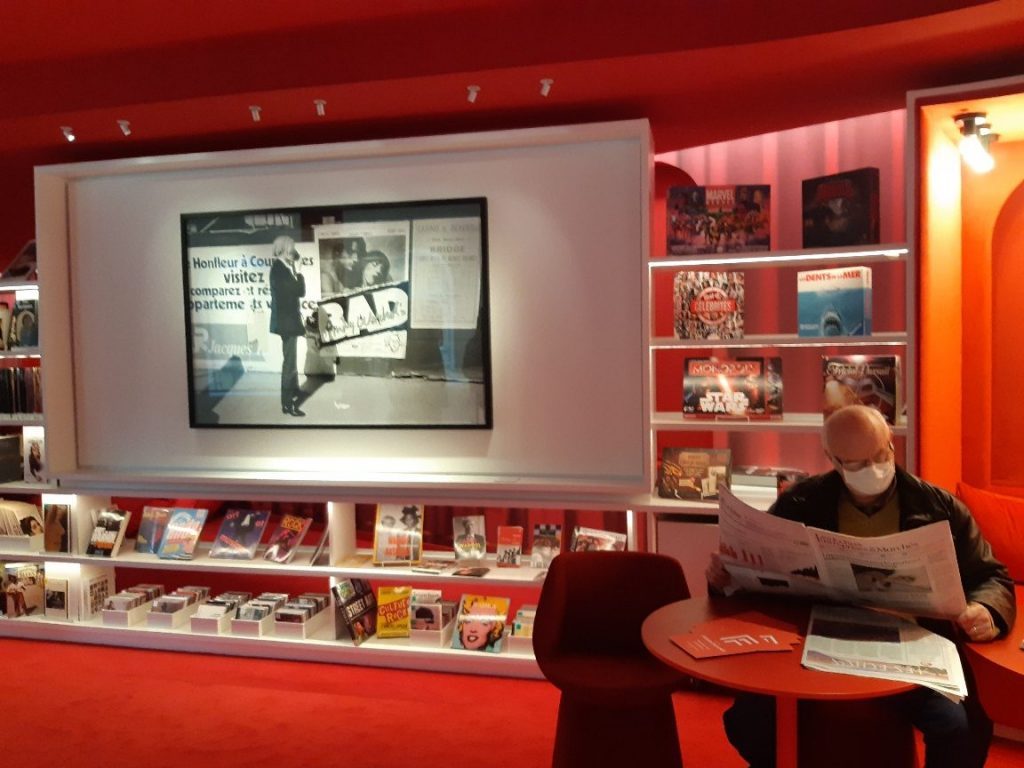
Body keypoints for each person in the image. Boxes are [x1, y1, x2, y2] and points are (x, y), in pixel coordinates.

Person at [706, 404, 1016, 768]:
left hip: (912, 648)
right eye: (855, 463)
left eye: (880, 454)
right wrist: (726, 579)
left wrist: (987, 610)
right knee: (749, 721)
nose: (873, 468)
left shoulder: (939, 506)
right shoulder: (802, 501)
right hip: (817, 644)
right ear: (833, 460)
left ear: (892, 444)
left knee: (959, 727)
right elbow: (764, 578)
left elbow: (992, 577)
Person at [268, 235, 306, 417]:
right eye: (291, 249)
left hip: (289, 321)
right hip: (287, 323)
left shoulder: (283, 268)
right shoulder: (278, 270)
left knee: (292, 359)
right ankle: (287, 404)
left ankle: (295, 390)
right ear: (284, 250)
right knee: (289, 363)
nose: (294, 252)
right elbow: (299, 291)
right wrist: (298, 272)